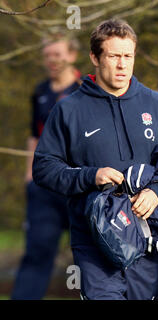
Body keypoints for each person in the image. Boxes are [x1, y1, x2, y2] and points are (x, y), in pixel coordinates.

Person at [32, 19, 158, 300]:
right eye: (114, 56)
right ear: (95, 57)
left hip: (149, 238)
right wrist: (90, 176)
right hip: (94, 243)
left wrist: (157, 193)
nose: (122, 65)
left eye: (128, 56)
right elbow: (44, 168)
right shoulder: (68, 110)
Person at [12, 36, 81, 300]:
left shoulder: (86, 89)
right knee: (36, 252)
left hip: (78, 186)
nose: (52, 60)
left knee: (93, 254)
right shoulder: (40, 92)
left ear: (72, 55)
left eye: (58, 54)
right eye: (48, 55)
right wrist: (29, 176)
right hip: (44, 189)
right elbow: (34, 137)